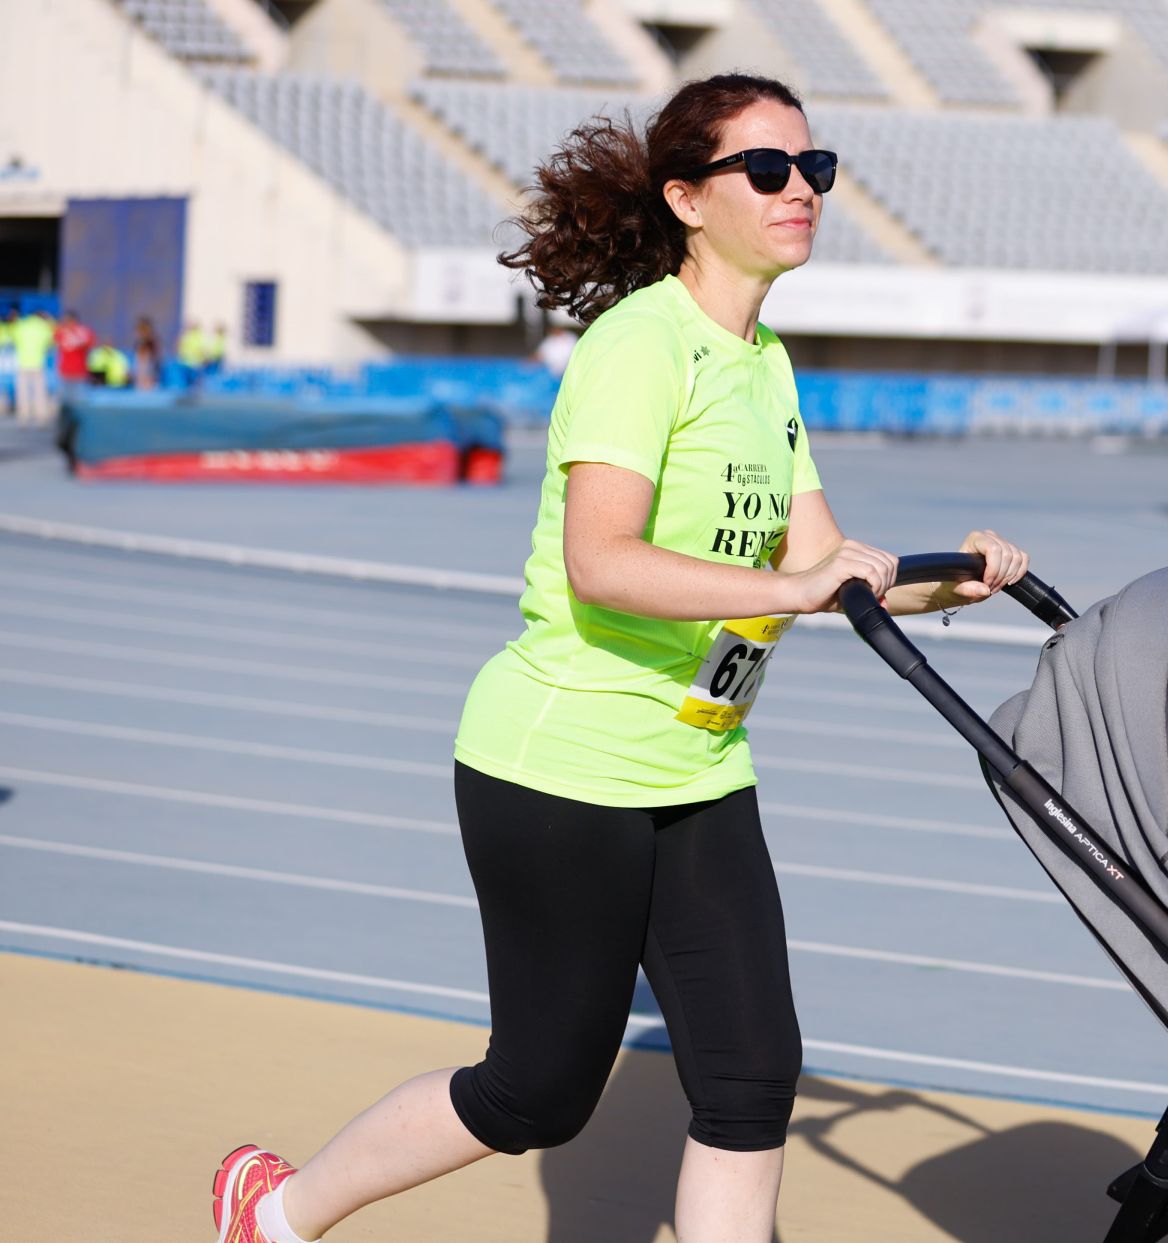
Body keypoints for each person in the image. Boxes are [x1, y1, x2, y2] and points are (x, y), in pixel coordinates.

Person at [211, 73, 1031, 1243]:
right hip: (562, 764)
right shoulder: (639, 345)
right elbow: (602, 561)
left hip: (698, 758)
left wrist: (964, 578)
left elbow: (824, 560)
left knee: (751, 1077)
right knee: (537, 1091)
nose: (802, 188)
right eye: (769, 170)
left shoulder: (765, 363)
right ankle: (277, 1210)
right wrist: (793, 587)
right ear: (690, 199)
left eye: (817, 169)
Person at [10, 308, 55, 425]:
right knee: (39, 392)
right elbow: (50, 343)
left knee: (22, 392)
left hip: (23, 363)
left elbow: (15, 341)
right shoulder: (44, 326)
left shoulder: (21, 325)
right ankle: (41, 417)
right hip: (38, 363)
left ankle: (23, 418)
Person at [54, 309, 96, 390]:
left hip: (79, 371)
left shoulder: (84, 332)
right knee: (65, 398)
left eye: (68, 320)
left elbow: (89, 344)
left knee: (78, 399)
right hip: (65, 370)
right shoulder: (62, 331)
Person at [132, 316, 161, 389]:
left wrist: (148, 378)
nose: (138, 332)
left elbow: (154, 363)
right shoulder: (138, 343)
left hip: (149, 378)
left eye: (142, 329)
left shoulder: (151, 343)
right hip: (142, 379)